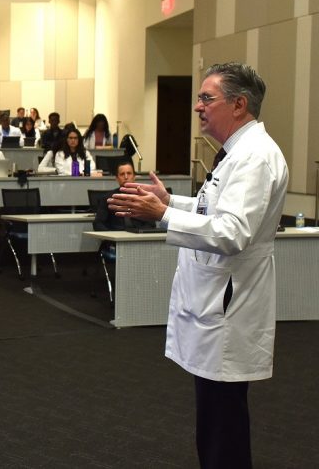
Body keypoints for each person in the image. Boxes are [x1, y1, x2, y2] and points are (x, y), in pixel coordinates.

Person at [107, 63, 287, 468]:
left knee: (223, 432)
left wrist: (163, 216)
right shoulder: (237, 153)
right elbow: (214, 208)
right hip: (217, 303)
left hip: (229, 309)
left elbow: (232, 232)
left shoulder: (255, 158)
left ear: (239, 105)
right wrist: (170, 202)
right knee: (215, 426)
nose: (197, 107)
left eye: (207, 98)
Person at [92, 161, 153, 232]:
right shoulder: (108, 198)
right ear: (117, 178)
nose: (126, 177)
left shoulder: (143, 197)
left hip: (139, 237)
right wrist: (112, 236)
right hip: (115, 238)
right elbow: (98, 224)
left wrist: (139, 234)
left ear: (134, 177)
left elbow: (151, 224)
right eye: (122, 174)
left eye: (129, 173)